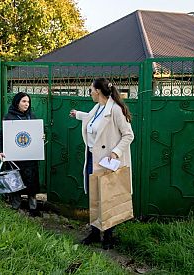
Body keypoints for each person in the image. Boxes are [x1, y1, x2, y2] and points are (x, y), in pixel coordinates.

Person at [69, 78, 134, 249]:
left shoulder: (116, 110)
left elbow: (128, 135)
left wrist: (115, 152)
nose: (90, 92)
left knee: (108, 196)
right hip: (93, 158)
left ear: (98, 91)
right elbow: (91, 119)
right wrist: (77, 114)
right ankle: (95, 232)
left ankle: (109, 235)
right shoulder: (98, 107)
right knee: (95, 195)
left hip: (108, 161)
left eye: (91, 89)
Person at [0, 92, 41, 217]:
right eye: (24, 101)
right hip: (15, 157)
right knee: (15, 181)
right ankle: (15, 207)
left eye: (28, 102)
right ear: (17, 102)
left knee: (32, 183)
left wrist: (41, 136)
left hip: (30, 157)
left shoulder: (32, 116)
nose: (26, 104)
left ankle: (33, 208)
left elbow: (36, 134)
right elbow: (1, 136)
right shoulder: (9, 117)